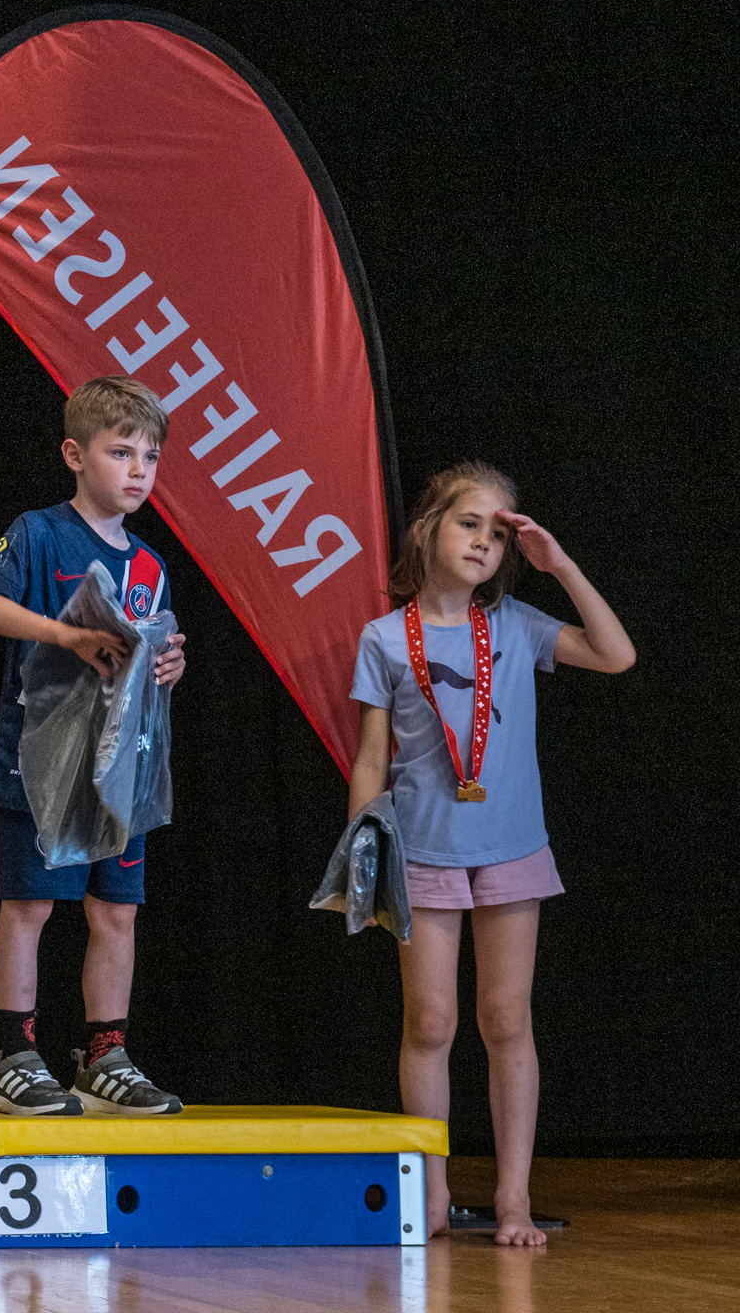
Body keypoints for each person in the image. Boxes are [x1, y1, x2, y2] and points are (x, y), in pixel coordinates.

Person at [350, 463, 630, 1244]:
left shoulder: (515, 624)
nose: (484, 542)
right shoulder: (385, 637)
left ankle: (512, 1198)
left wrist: (559, 565)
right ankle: (432, 1193)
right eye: (470, 523)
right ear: (427, 529)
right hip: (424, 851)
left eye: (500, 534)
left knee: (506, 1017)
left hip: (511, 848)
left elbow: (616, 655)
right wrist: (364, 859)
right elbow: (371, 760)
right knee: (430, 1021)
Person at [0, 375, 188, 1116]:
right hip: (43, 763)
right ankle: (14, 1056)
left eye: (149, 457)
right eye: (121, 452)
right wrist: (65, 634)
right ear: (74, 454)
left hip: (121, 767)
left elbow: (153, 647)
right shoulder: (38, 532)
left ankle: (105, 1057)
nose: (137, 471)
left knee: (116, 912)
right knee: (30, 904)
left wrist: (168, 665)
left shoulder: (149, 563)